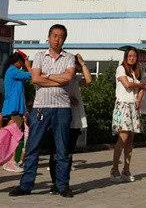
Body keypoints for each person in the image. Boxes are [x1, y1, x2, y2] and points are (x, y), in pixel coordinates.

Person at [9, 24, 76, 198]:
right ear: (48, 37)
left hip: (62, 108)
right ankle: (26, 185)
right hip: (41, 108)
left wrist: (47, 76)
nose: (57, 39)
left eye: (61, 36)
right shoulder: (39, 56)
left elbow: (68, 78)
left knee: (62, 150)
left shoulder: (69, 58)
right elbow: (35, 79)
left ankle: (62, 186)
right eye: (54, 36)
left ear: (64, 39)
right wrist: (55, 79)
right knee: (33, 148)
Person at [46, 52, 93, 193]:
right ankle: (55, 183)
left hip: (74, 120)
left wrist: (83, 63)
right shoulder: (59, 77)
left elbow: (89, 81)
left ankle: (64, 183)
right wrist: (66, 97)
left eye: (75, 64)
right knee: (55, 153)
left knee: (68, 154)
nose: (74, 66)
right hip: (58, 117)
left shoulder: (76, 79)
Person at [110, 47, 145, 181]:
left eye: (134, 56)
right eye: (129, 56)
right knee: (122, 138)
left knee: (130, 141)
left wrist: (139, 100)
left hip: (133, 107)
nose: (132, 58)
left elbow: (142, 89)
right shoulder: (121, 69)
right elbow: (127, 85)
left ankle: (126, 170)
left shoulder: (136, 72)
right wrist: (139, 85)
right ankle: (114, 170)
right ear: (125, 57)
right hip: (123, 106)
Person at [1, 50, 32, 173]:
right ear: (18, 61)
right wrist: (28, 66)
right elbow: (31, 75)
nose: (23, 64)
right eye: (22, 62)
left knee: (13, 134)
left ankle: (9, 161)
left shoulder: (11, 70)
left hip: (15, 107)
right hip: (14, 107)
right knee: (16, 135)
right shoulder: (13, 71)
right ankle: (11, 162)